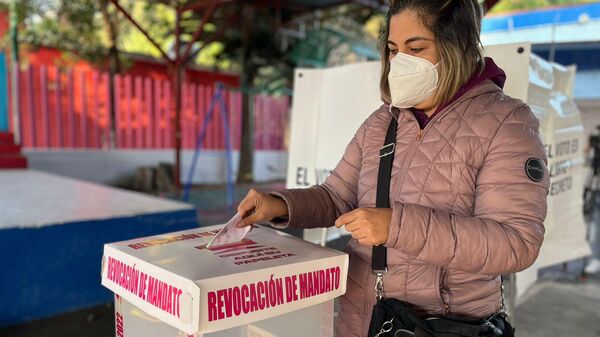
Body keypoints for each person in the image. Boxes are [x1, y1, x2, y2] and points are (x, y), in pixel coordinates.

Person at [237, 0, 549, 336]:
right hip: (361, 319)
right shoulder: (381, 122)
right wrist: (280, 205)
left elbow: (516, 243)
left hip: (440, 325)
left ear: (457, 46)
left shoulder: (507, 122)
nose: (401, 61)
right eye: (393, 49)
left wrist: (396, 226)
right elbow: (336, 197)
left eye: (416, 47)